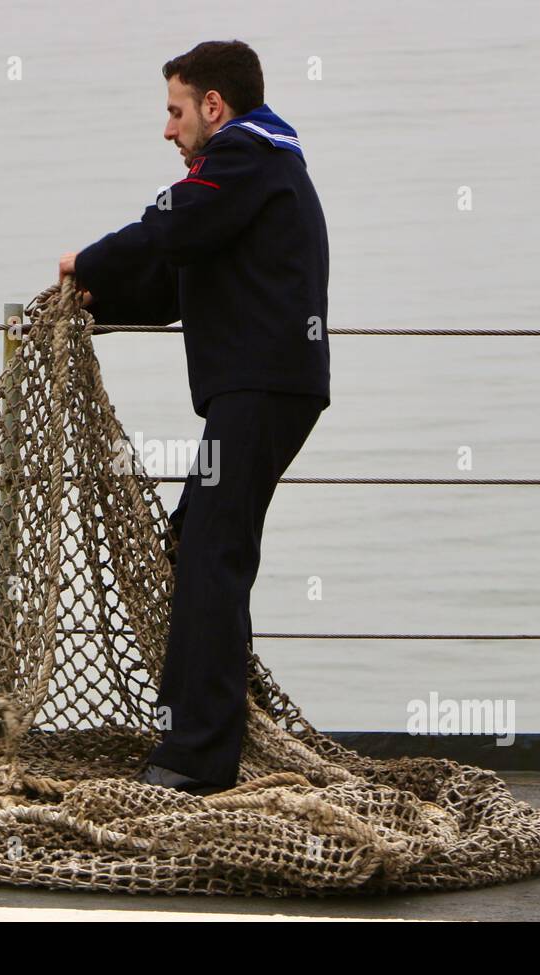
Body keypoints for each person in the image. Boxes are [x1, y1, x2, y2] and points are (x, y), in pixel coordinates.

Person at [57, 39, 330, 795]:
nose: (168, 130)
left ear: (214, 106)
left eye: (175, 112)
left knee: (213, 556)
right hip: (263, 387)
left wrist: (90, 261)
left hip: (263, 388)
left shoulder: (247, 154)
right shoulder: (258, 170)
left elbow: (168, 226)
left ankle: (196, 759)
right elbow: (185, 282)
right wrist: (100, 302)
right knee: (197, 545)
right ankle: (209, 732)